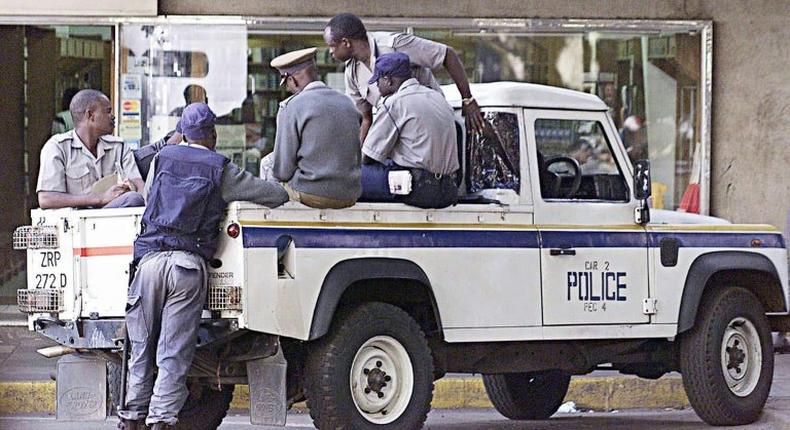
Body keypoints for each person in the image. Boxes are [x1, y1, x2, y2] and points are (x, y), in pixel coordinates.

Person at [117, 103, 289, 430]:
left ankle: (131, 419)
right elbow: (270, 195)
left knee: (140, 349)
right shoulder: (219, 167)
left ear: (182, 133)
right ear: (213, 134)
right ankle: (161, 421)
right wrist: (284, 187)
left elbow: (150, 196)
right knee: (174, 351)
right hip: (186, 267)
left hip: (149, 262)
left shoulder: (161, 159)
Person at [323, 13, 484, 142]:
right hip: (398, 135)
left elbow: (447, 54)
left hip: (431, 126)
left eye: (332, 46)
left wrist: (467, 99)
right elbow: (367, 118)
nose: (330, 52)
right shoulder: (351, 72)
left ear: (346, 42)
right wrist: (359, 160)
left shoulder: (394, 45)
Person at [361, 52, 459, 209]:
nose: (377, 87)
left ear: (388, 79)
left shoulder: (395, 103)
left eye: (378, 81)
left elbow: (368, 157)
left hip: (418, 190)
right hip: (448, 190)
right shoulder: (438, 98)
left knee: (352, 176)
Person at [268, 47, 362, 209]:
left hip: (310, 193)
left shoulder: (292, 106)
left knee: (267, 168)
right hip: (349, 195)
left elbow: (282, 172)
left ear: (292, 80)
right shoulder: (348, 103)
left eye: (287, 83)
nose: (288, 89)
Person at [37, 89, 145, 209]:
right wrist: (100, 198)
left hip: (115, 219)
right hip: (77, 224)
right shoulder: (58, 147)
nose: (113, 117)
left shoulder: (119, 147)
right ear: (90, 115)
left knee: (134, 198)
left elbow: (138, 185)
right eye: (108, 112)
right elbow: (46, 199)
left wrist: (132, 188)